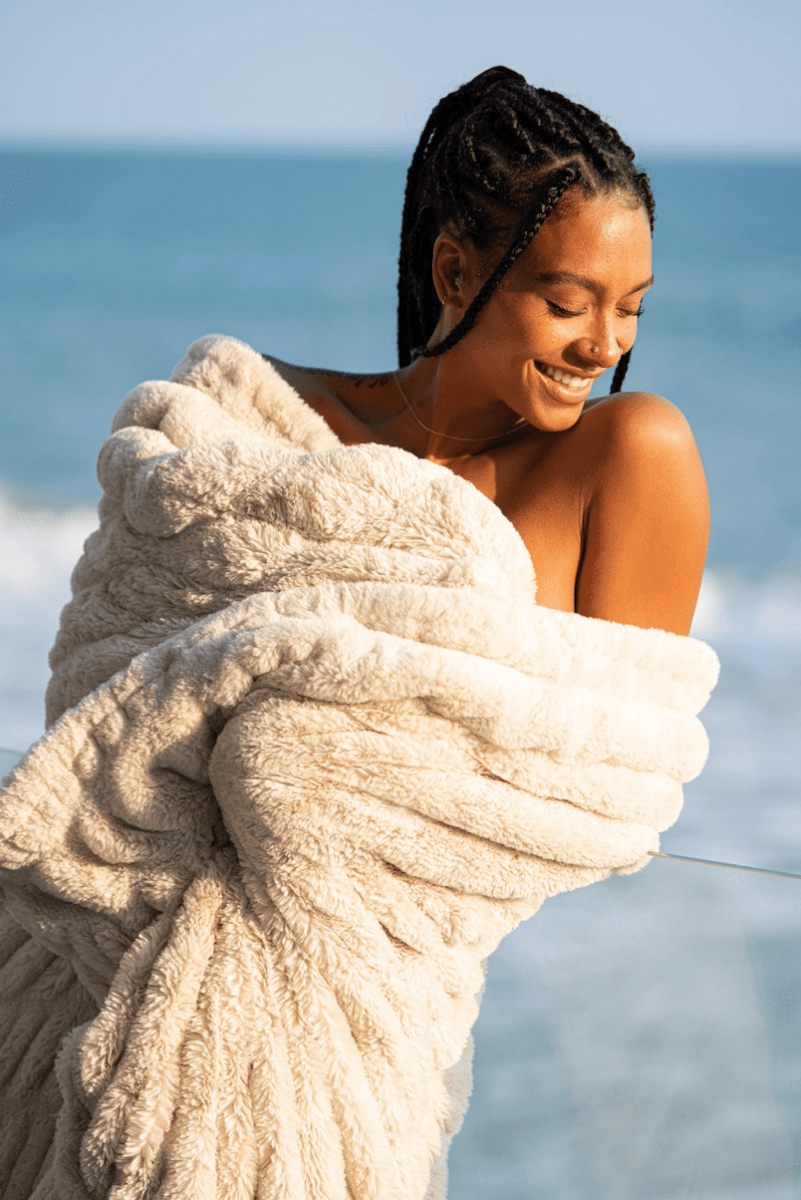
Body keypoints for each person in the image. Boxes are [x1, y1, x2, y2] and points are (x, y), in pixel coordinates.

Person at [264, 65, 709, 637]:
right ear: (455, 273)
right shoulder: (272, 412)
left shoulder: (631, 454)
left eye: (630, 308)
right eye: (568, 305)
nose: (605, 348)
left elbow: (640, 719)